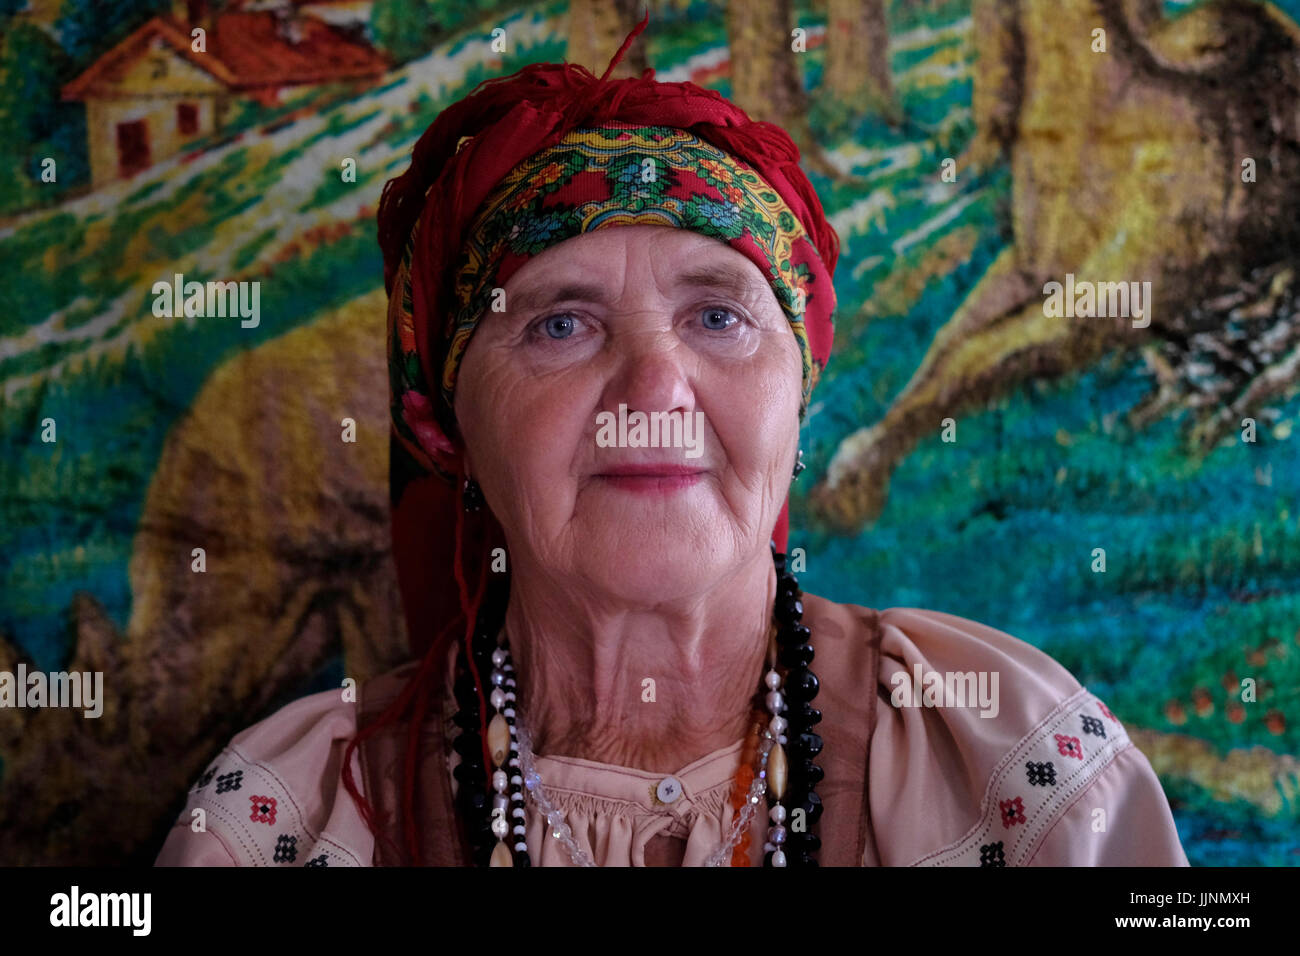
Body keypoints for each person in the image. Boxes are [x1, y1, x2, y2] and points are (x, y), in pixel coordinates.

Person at [155, 17, 1188, 868]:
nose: (654, 390)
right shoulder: (288, 824)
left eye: (719, 317)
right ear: (447, 425)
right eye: (560, 323)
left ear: (799, 393)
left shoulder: (1008, 761)